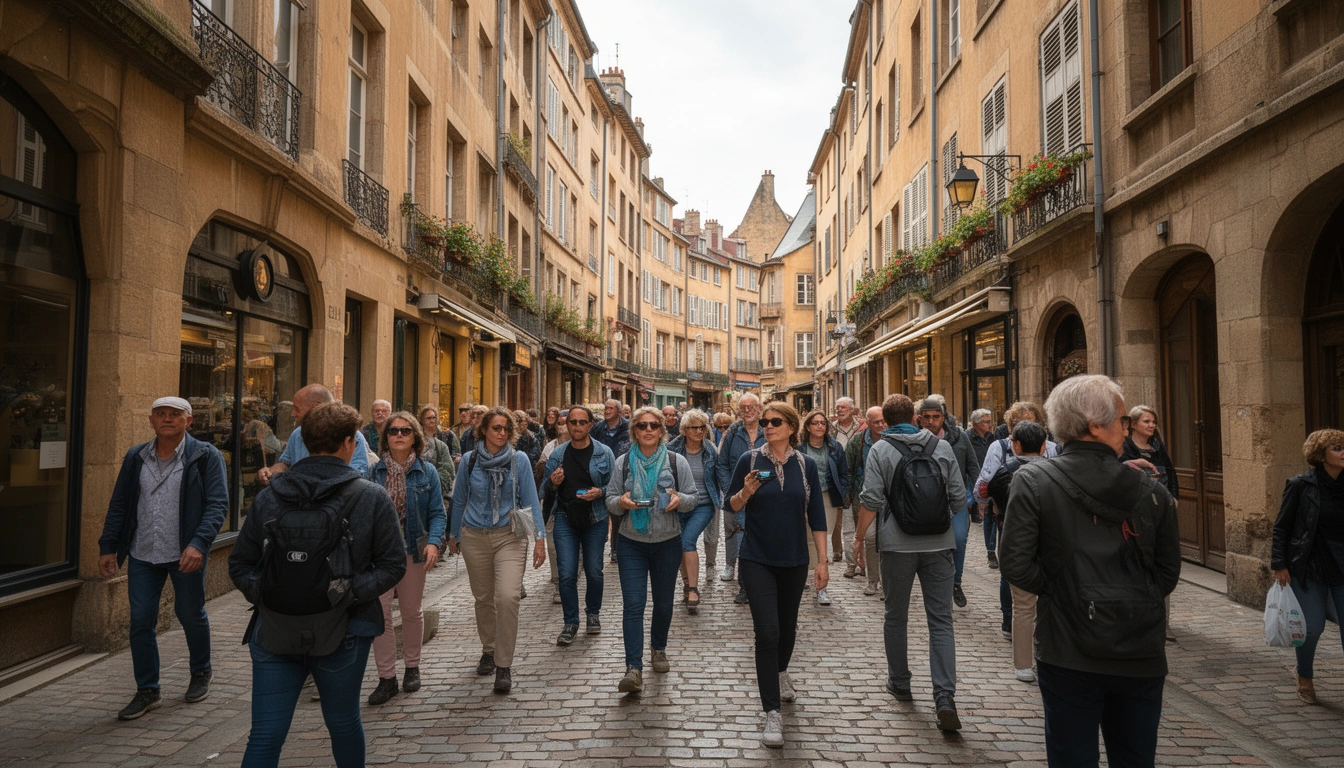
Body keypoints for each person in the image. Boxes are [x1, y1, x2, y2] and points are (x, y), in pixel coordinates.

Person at [999, 375, 1180, 766]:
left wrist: (1059, 589)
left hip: (1069, 648)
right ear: (1095, 426)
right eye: (1122, 420)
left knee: (1071, 757)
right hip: (1138, 648)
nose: (1126, 429)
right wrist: (1137, 597)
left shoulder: (1034, 480)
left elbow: (1015, 563)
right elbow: (1167, 574)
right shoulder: (1152, 490)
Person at [229, 402, 406, 768]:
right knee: (343, 724)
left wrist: (267, 593)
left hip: (274, 626)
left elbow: (240, 563)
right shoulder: (370, 496)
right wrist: (347, 593)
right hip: (346, 627)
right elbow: (393, 565)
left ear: (304, 442)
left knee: (265, 735)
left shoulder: (270, 495)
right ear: (349, 443)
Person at [98, 397, 228, 720]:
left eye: (174, 414)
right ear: (151, 421)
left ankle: (201, 670)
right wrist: (108, 546)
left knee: (190, 613)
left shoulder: (205, 456)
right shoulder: (136, 457)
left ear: (189, 421)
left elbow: (217, 504)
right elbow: (119, 504)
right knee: (141, 620)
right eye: (160, 414)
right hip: (143, 551)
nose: (167, 419)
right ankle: (148, 689)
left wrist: (199, 544)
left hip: (185, 553)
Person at [855, 393, 967, 733]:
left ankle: (900, 682)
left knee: (895, 616)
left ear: (886, 422)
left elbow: (871, 499)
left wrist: (859, 538)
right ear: (915, 418)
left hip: (896, 545)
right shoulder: (940, 447)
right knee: (941, 621)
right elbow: (959, 497)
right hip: (939, 545)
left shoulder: (880, 449)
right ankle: (944, 696)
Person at [724, 401, 828, 748]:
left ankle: (781, 671)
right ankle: (772, 712)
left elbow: (817, 516)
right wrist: (746, 492)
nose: (768, 426)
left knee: (787, 628)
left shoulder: (806, 465)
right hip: (756, 558)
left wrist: (823, 562)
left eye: (775, 421)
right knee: (767, 633)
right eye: (765, 421)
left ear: (791, 427)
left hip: (795, 560)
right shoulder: (750, 460)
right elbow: (730, 505)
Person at [448, 407, 546, 694]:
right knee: (483, 598)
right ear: (484, 431)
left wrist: (540, 538)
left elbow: (531, 500)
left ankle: (504, 665)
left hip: (509, 536)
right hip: (474, 536)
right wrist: (453, 534)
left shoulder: (519, 460)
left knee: (507, 597)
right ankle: (489, 649)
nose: (502, 433)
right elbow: (459, 499)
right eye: (496, 428)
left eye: (506, 428)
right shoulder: (470, 460)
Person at [604, 407, 697, 694]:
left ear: (661, 430)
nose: (648, 430)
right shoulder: (623, 463)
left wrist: (678, 500)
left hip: (668, 541)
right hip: (631, 541)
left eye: (654, 425)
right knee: (633, 604)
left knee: (664, 603)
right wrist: (621, 502)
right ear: (634, 430)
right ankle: (633, 668)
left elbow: (693, 498)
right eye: (642, 425)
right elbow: (610, 499)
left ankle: (659, 648)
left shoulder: (676, 461)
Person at [365, 412, 447, 705]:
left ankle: (412, 667)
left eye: (405, 430)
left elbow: (437, 513)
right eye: (393, 431)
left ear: (415, 438)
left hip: (413, 550)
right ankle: (386, 678)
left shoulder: (427, 472)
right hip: (381, 554)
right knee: (381, 614)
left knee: (411, 611)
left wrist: (434, 543)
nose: (399, 435)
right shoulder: (374, 473)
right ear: (385, 437)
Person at [1272, 428, 1344, 705]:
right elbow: (1282, 527)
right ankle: (1304, 675)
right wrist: (1279, 564)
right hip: (1310, 563)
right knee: (1311, 627)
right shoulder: (1301, 485)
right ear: (1320, 455)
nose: (1343, 452)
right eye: (1337, 448)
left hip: (1342, 562)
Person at [540, 406, 615, 646]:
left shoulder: (604, 453)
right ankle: (570, 622)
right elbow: (544, 490)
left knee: (594, 570)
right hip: (565, 517)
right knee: (567, 573)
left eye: (583, 422)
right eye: (573, 422)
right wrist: (553, 483)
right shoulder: (557, 455)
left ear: (591, 424)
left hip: (595, 517)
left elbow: (616, 487)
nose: (578, 426)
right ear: (567, 425)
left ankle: (593, 613)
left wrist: (599, 492)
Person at [985, 420, 1048, 682]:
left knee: (1023, 607)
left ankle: (1023, 665)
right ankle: (1049, 659)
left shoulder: (1006, 471)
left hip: (1016, 542)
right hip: (1050, 544)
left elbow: (991, 494)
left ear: (1016, 445)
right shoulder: (1055, 471)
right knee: (1050, 605)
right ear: (1043, 446)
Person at [917, 397, 979, 610]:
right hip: (926, 500)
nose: (931, 421)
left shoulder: (959, 436)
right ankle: (937, 584)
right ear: (920, 418)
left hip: (956, 498)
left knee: (959, 539)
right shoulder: (914, 439)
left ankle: (956, 582)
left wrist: (980, 497)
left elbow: (972, 465)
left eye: (936, 417)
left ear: (943, 417)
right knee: (932, 544)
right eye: (927, 417)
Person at [258, 384, 370, 484]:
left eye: (297, 409)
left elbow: (358, 475)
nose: (293, 414)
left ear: (315, 407)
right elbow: (286, 463)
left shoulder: (351, 436)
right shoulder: (297, 434)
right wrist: (271, 472)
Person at [667, 408, 722, 612]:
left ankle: (693, 589)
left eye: (703, 427)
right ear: (684, 430)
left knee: (687, 541)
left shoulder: (710, 450)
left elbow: (720, 475)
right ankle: (686, 583)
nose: (700, 431)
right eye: (694, 428)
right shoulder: (671, 449)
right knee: (680, 544)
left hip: (703, 505)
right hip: (678, 505)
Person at [717, 393, 767, 603]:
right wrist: (730, 489)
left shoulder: (768, 429)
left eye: (751, 407)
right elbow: (722, 464)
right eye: (743, 408)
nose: (747, 411)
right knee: (737, 534)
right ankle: (739, 578)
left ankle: (758, 583)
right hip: (738, 493)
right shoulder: (732, 433)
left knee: (758, 537)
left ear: (759, 408)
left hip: (764, 493)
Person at [800, 410, 850, 606]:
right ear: (808, 427)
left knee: (822, 538)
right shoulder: (799, 447)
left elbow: (844, 473)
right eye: (815, 423)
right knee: (806, 537)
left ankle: (822, 586)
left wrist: (842, 492)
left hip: (827, 496)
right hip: (804, 496)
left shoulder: (835, 448)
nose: (820, 426)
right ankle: (807, 575)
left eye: (823, 423)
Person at [843, 406, 884, 595]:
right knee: (870, 538)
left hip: (888, 499)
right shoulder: (857, 442)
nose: (881, 425)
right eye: (876, 422)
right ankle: (872, 580)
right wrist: (849, 495)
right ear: (867, 423)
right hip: (864, 497)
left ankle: (886, 582)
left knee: (887, 540)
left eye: (883, 421)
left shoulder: (891, 439)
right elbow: (848, 470)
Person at [539, 413, 570, 602]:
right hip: (554, 505)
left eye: (567, 423)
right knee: (553, 546)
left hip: (579, 506)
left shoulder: (591, 448)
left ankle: (570, 576)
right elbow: (542, 481)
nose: (564, 427)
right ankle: (558, 583)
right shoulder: (550, 448)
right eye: (561, 423)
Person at [829, 397, 864, 561]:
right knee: (837, 514)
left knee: (855, 515)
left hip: (856, 473)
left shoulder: (861, 426)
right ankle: (838, 550)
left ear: (852, 409)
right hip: (837, 474)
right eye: (838, 408)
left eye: (843, 407)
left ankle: (858, 555)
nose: (840, 410)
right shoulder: (831, 428)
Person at [1121, 405, 1179, 499]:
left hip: (1162, 497)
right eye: (1146, 421)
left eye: (1154, 422)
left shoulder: (1157, 445)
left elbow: (1170, 470)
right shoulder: (1125, 446)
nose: (1152, 425)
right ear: (1133, 424)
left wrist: (1174, 496)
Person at [965, 409, 997, 564]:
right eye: (986, 422)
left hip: (993, 478)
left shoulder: (993, 437)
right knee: (985, 514)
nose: (989, 424)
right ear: (976, 423)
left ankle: (991, 550)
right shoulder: (967, 437)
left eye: (990, 421)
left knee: (992, 515)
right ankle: (990, 551)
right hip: (975, 479)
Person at [416, 406, 457, 499]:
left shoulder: (442, 441)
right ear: (422, 420)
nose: (432, 420)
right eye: (428, 418)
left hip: (435, 490)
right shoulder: (415, 440)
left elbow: (448, 471)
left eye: (434, 417)